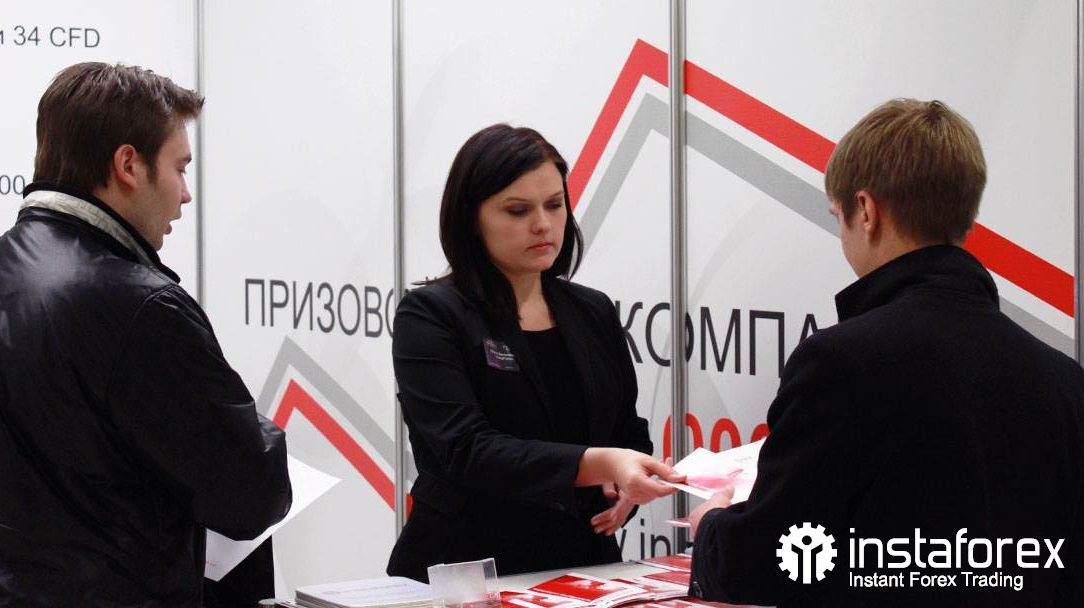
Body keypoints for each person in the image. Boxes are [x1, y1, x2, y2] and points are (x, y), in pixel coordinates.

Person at [0, 62, 292, 607]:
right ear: (128, 165)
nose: (185, 195)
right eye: (180, 169)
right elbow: (251, 496)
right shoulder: (142, 309)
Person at [686, 99, 1084, 607]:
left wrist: (712, 528)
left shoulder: (839, 364)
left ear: (867, 211)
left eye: (839, 217)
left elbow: (767, 561)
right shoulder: (1064, 380)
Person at [386, 124, 683, 580]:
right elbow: (467, 449)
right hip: (466, 567)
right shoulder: (430, 315)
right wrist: (602, 463)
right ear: (471, 218)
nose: (543, 224)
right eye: (518, 210)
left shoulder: (592, 310)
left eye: (554, 204)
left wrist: (626, 485)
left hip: (584, 562)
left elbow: (626, 429)